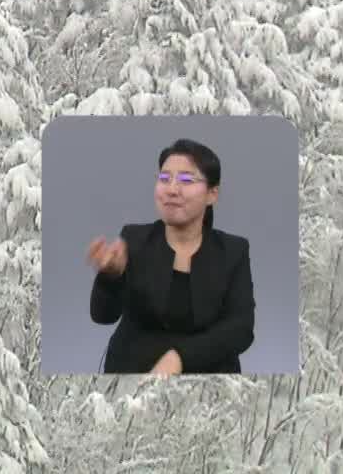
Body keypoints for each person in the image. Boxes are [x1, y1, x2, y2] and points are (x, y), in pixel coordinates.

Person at [86, 138, 255, 375]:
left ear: (212, 194)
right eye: (164, 179)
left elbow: (241, 329)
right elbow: (102, 316)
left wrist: (180, 358)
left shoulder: (233, 251)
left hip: (208, 381)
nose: (172, 189)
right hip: (132, 377)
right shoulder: (134, 239)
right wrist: (110, 276)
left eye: (186, 180)